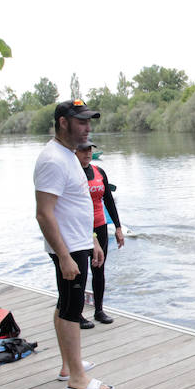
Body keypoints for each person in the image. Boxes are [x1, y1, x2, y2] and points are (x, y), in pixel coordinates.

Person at [34, 99, 113, 389]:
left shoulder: (68, 155)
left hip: (79, 243)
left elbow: (76, 204)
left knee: (64, 303)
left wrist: (92, 240)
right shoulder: (52, 159)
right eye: (81, 122)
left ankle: (70, 365)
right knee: (72, 308)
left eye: (89, 122)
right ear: (63, 122)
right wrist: (65, 256)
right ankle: (77, 379)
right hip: (67, 248)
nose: (87, 128)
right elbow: (44, 213)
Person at [76, 138, 124, 328]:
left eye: (90, 150)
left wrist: (118, 227)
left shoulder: (99, 172)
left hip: (100, 226)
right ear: (75, 152)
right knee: (79, 272)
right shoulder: (73, 174)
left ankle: (99, 310)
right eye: (83, 150)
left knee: (99, 269)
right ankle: (77, 313)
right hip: (79, 229)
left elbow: (109, 201)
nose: (87, 153)